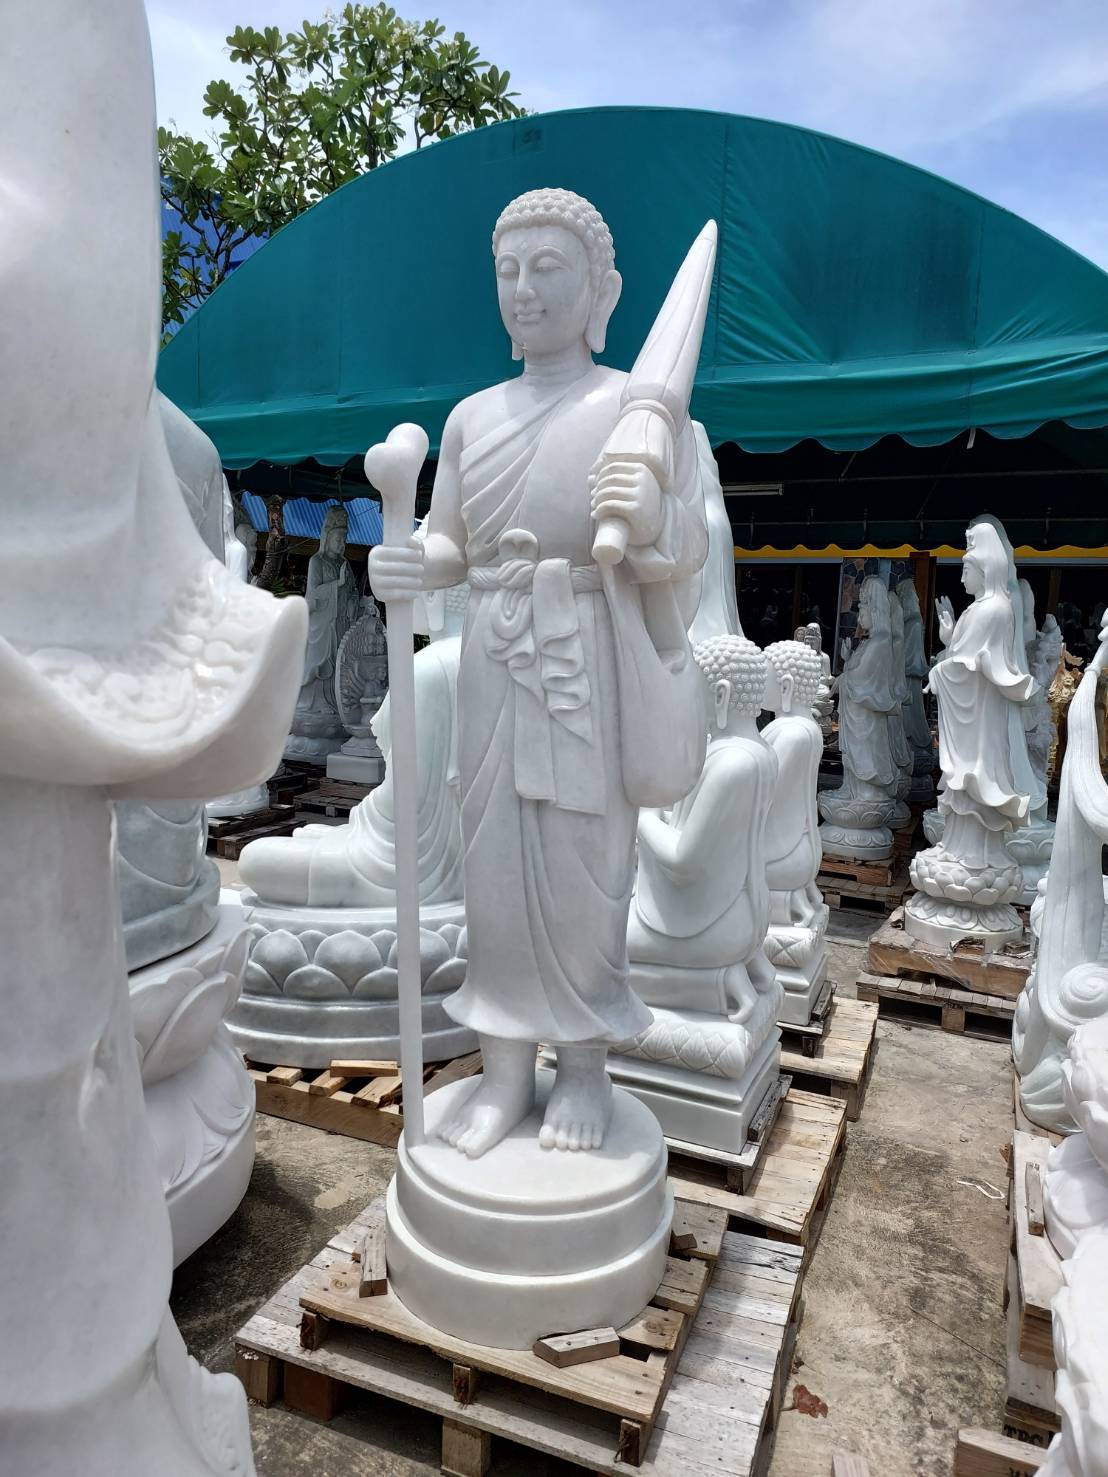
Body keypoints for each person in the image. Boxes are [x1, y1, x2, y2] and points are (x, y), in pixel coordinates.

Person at [369, 189, 708, 1157]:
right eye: (508, 270)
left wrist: (652, 519)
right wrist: (410, 562)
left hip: (586, 652)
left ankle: (585, 1068)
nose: (523, 289)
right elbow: (451, 541)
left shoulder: (639, 408)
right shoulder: (471, 417)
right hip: (493, 655)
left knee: (583, 865)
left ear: (604, 290)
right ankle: (505, 1070)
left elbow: (687, 547)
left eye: (547, 268)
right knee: (493, 873)